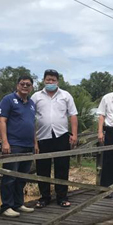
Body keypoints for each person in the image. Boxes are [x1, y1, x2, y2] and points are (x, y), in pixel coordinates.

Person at [31, 69, 79, 208]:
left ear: (57, 81)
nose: (50, 82)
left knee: (62, 166)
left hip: (61, 135)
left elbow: (73, 115)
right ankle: (45, 197)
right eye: (48, 80)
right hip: (42, 136)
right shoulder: (36, 96)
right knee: (43, 167)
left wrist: (74, 134)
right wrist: (34, 140)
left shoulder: (66, 95)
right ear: (44, 80)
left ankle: (62, 197)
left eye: (53, 80)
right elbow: (31, 118)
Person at [0, 75, 37, 218]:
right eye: (22, 84)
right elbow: (2, 121)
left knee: (22, 177)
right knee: (9, 177)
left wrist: (35, 142)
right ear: (17, 85)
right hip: (14, 144)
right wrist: (5, 142)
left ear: (32, 87)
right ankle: (6, 206)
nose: (25, 86)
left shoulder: (32, 103)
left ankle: (18, 203)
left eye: (28, 84)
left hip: (28, 145)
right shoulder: (8, 100)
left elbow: (33, 124)